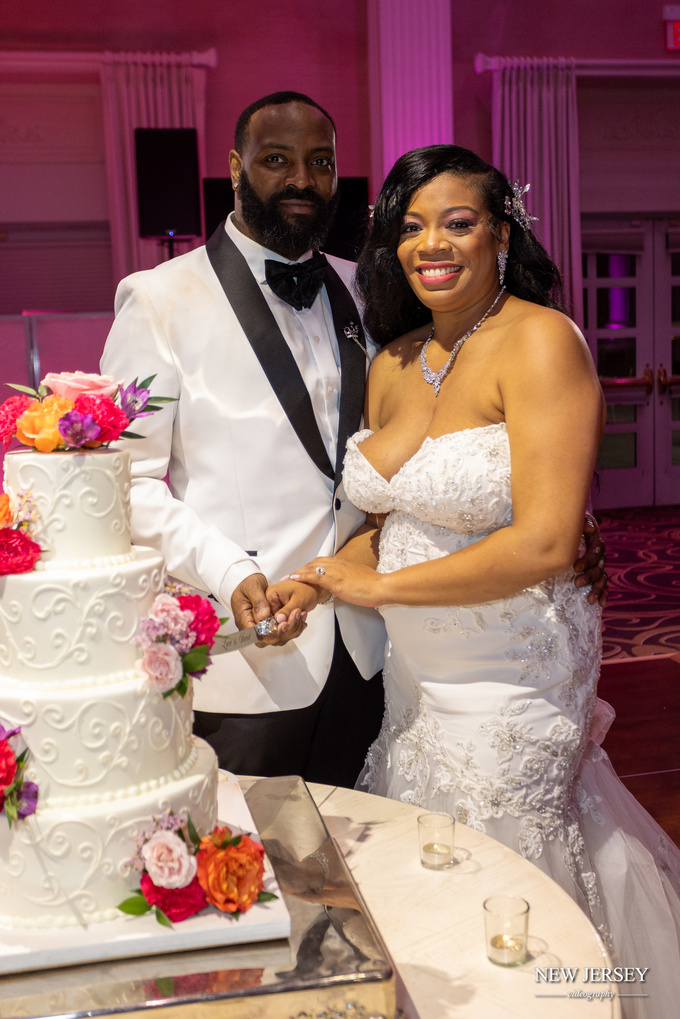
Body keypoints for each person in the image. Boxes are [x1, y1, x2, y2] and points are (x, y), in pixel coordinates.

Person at [101, 95, 605, 788]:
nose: (301, 180)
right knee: (258, 871)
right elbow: (123, 481)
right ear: (235, 168)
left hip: (378, 651)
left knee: (372, 868)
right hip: (253, 653)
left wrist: (563, 513)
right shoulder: (157, 299)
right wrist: (226, 571)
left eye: (321, 163)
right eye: (277, 160)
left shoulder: (369, 291)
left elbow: (468, 426)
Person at [286, 145, 680, 1016]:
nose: (433, 242)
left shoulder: (543, 342)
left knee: (505, 858)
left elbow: (544, 541)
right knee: (431, 856)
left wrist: (379, 591)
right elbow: (390, 525)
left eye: (457, 221)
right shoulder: (393, 362)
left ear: (500, 232)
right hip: (418, 677)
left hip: (516, 670)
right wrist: (315, 581)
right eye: (411, 226)